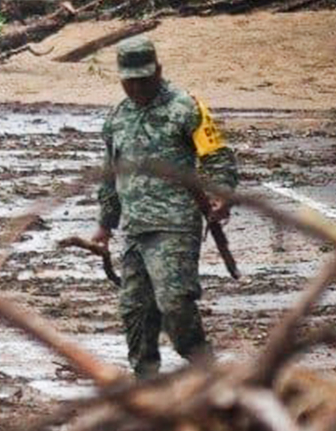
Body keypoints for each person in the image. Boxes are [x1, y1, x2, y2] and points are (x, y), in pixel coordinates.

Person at [91, 37, 238, 378]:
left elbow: (217, 157)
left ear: (159, 71)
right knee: (135, 310)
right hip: (135, 229)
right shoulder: (117, 117)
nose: (138, 87)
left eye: (145, 78)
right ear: (121, 78)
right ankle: (146, 382)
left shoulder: (186, 108)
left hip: (176, 225)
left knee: (175, 303)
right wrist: (105, 224)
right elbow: (110, 174)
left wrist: (221, 195)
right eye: (130, 81)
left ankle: (207, 370)